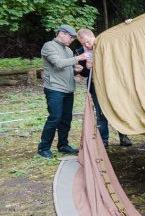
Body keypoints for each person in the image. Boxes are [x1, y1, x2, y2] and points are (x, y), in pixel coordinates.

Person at [37, 25, 90, 158]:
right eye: (70, 36)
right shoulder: (49, 46)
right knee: (55, 118)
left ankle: (63, 145)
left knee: (66, 119)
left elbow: (67, 69)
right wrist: (79, 58)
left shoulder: (68, 50)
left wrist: (75, 70)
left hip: (68, 89)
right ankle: (43, 148)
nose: (72, 39)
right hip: (54, 89)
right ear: (61, 34)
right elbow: (59, 63)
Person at [76, 28, 132, 147]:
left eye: (88, 42)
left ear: (93, 36)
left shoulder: (105, 42)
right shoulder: (81, 52)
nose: (87, 45)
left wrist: (128, 23)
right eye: (83, 43)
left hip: (113, 84)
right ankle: (103, 140)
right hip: (96, 86)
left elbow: (123, 38)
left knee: (119, 109)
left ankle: (124, 137)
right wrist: (86, 67)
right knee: (100, 113)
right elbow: (84, 73)